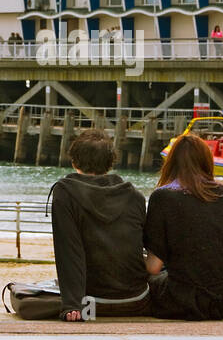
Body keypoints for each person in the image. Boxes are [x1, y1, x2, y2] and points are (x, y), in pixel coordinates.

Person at [144, 134, 223, 320]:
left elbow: (153, 266)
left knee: (152, 282)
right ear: (207, 162)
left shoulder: (162, 197)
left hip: (191, 301)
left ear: (171, 163)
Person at [49, 130, 151, 321]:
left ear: (74, 161)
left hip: (92, 302)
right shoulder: (134, 195)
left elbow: (69, 251)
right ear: (111, 162)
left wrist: (72, 304)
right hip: (138, 298)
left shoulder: (66, 193)